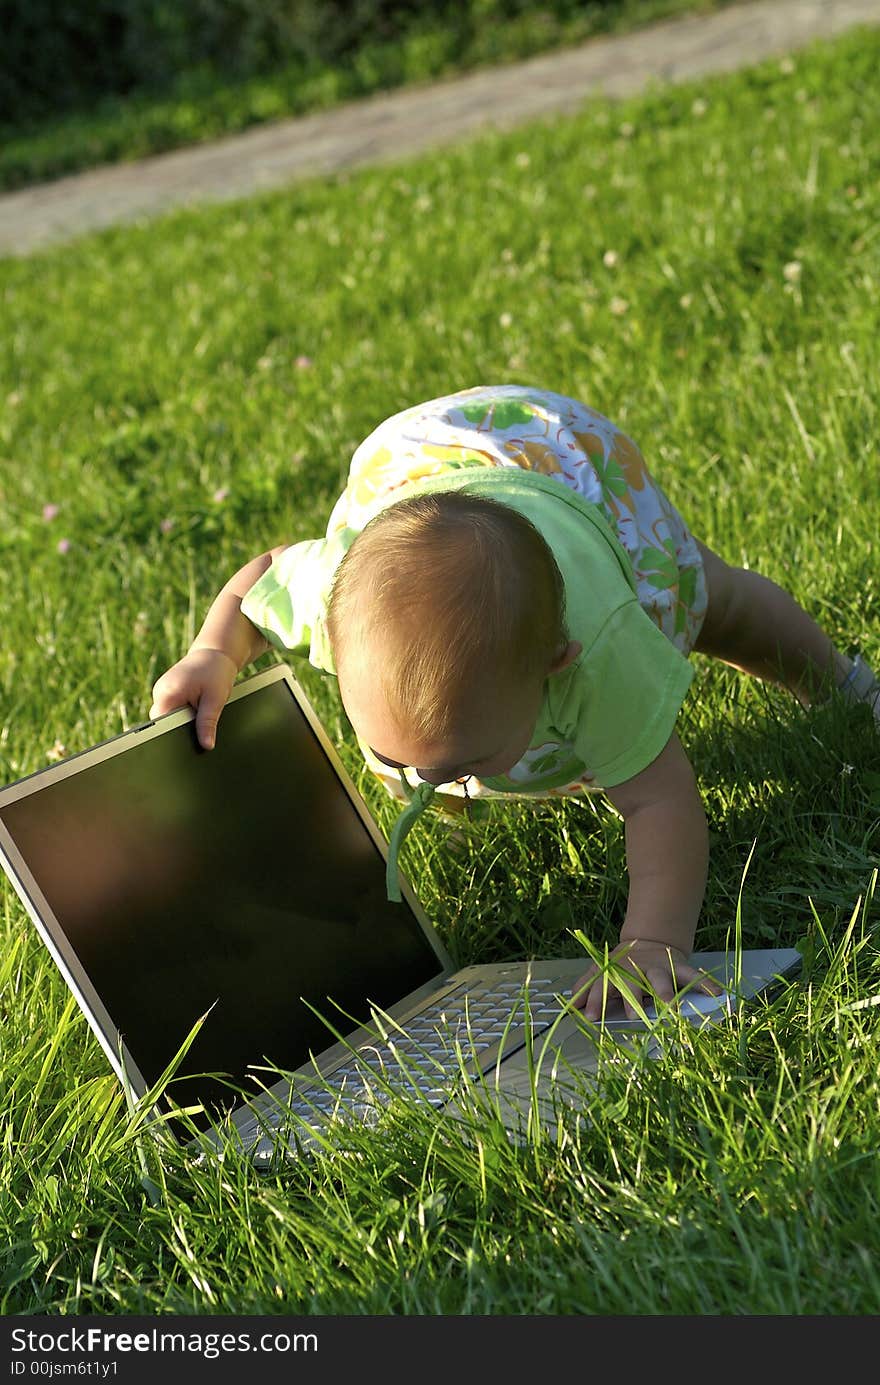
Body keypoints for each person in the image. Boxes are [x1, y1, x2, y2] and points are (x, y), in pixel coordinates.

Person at [149, 385, 880, 1019]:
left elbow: (664, 803)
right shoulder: (334, 597)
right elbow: (266, 574)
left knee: (715, 604)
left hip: (562, 464)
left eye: (464, 761)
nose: (430, 778)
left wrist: (653, 941)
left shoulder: (602, 641)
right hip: (421, 467)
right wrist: (214, 653)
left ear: (553, 668)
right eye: (399, 757)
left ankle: (841, 682)